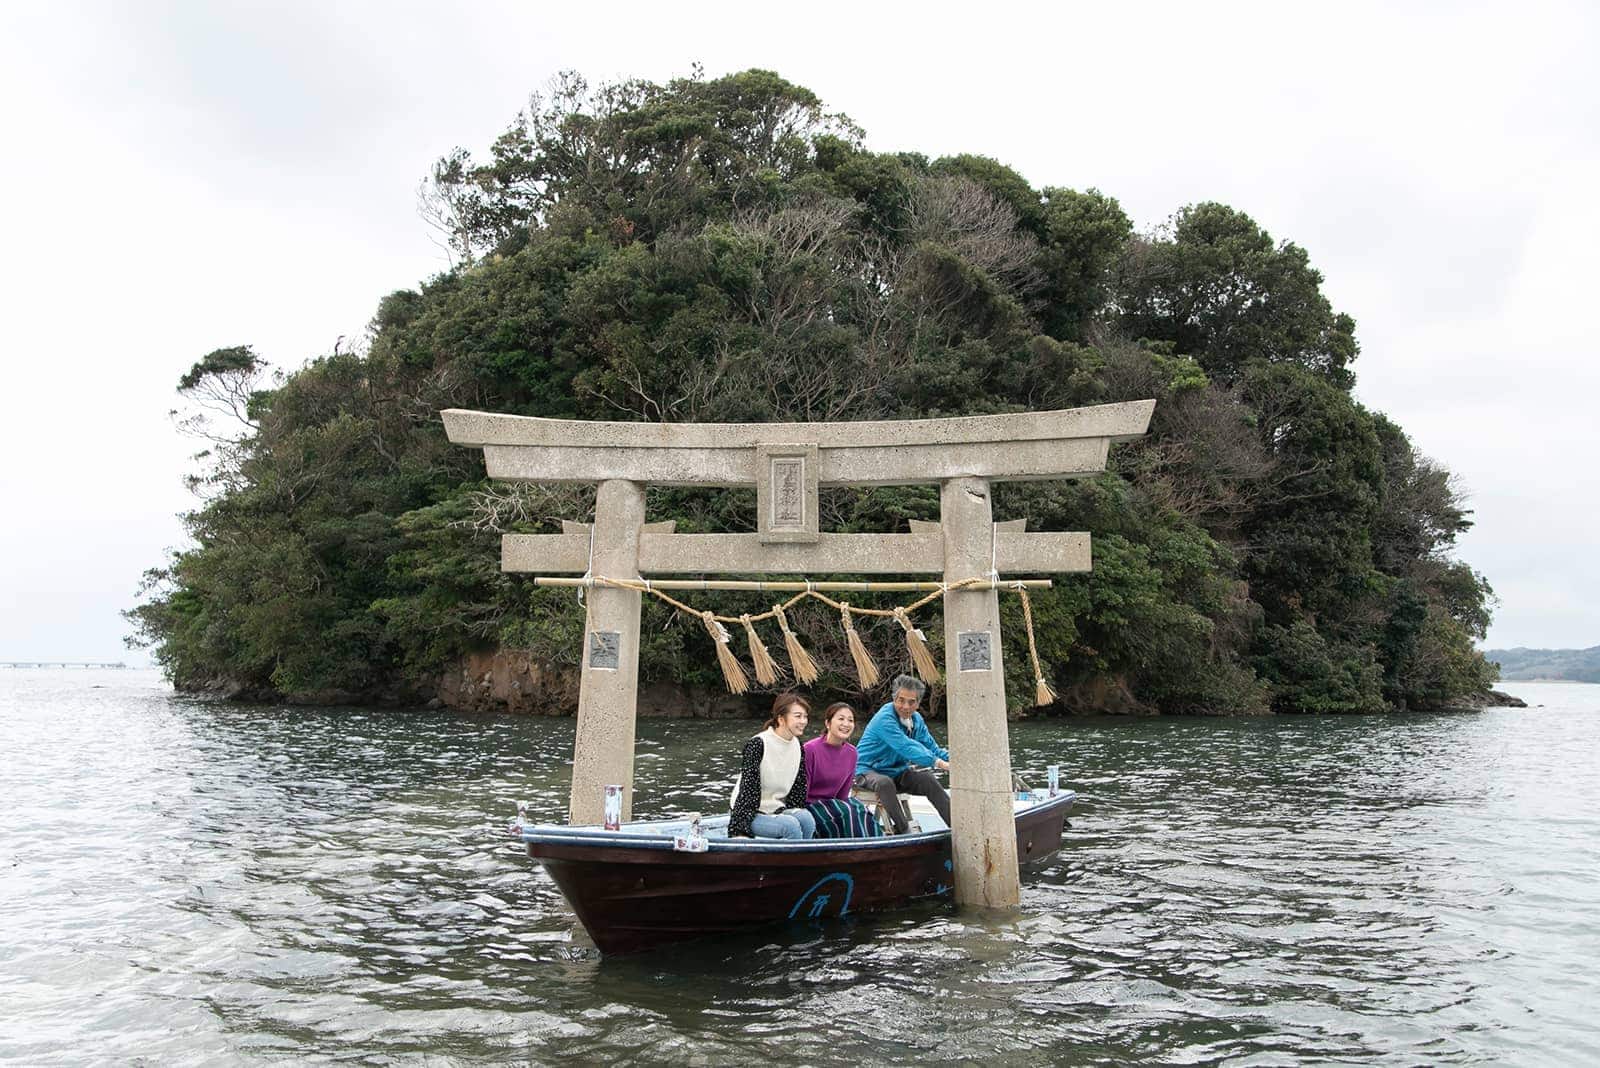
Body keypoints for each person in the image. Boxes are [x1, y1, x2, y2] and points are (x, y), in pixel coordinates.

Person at [853, 674, 951, 834]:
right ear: (894, 699)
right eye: (901, 700)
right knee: (884, 783)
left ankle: (957, 827)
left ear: (918, 703)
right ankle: (904, 830)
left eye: (911, 702)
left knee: (927, 779)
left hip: (896, 772)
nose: (905, 706)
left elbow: (933, 748)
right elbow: (906, 746)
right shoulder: (884, 718)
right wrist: (940, 763)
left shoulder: (917, 720)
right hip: (866, 771)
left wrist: (958, 761)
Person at [728, 693, 817, 840]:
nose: (804, 721)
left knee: (806, 819)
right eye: (798, 716)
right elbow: (747, 790)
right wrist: (739, 832)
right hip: (749, 813)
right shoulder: (758, 744)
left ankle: (802, 860)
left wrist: (792, 812)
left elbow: (797, 792)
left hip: (775, 809)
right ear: (781, 719)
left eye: (805, 716)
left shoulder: (798, 746)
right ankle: (790, 862)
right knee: (790, 826)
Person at [802, 703, 882, 838]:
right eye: (841, 719)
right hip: (811, 806)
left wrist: (841, 807)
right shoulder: (810, 749)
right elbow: (802, 792)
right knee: (848, 813)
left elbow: (843, 795)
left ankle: (878, 849)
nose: (846, 724)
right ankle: (859, 852)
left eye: (850, 720)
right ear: (828, 723)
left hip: (836, 805)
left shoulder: (852, 753)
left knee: (860, 810)